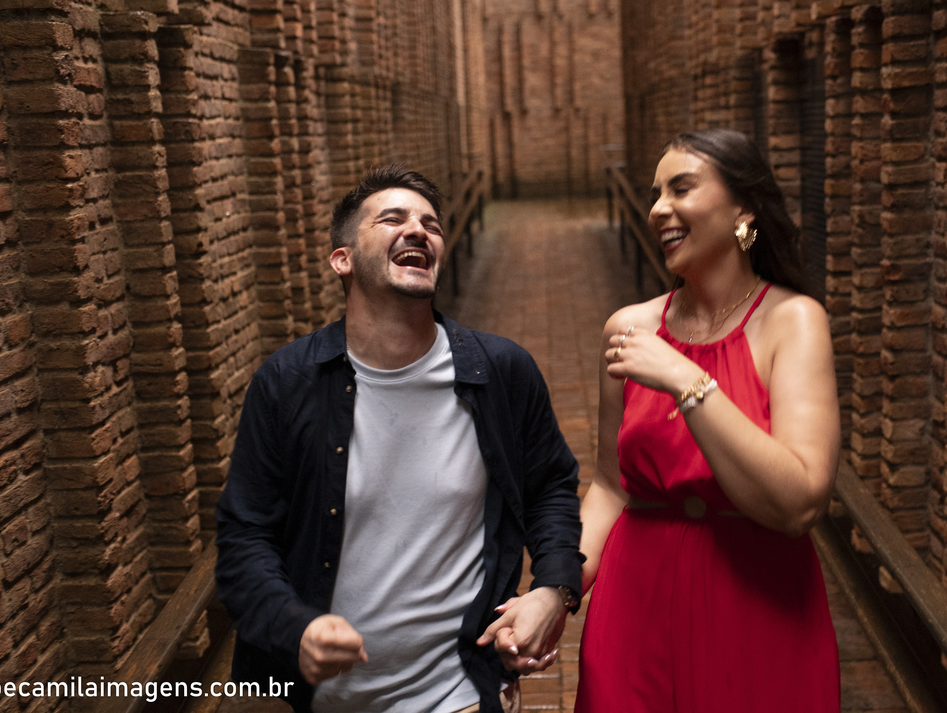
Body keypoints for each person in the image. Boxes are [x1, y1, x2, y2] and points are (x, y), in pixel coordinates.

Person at [215, 165, 583, 713]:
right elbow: (245, 536)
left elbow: (550, 487)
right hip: (317, 700)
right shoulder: (287, 383)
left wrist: (553, 589)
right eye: (392, 219)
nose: (418, 230)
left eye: (430, 224)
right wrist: (294, 628)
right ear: (342, 260)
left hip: (458, 692)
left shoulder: (500, 372)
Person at [575, 130, 841, 711]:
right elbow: (610, 487)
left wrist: (687, 381)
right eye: (655, 193)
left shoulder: (794, 322)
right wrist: (557, 588)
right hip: (635, 602)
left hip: (759, 604)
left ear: (744, 208)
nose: (658, 208)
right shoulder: (629, 328)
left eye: (681, 188)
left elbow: (800, 503)